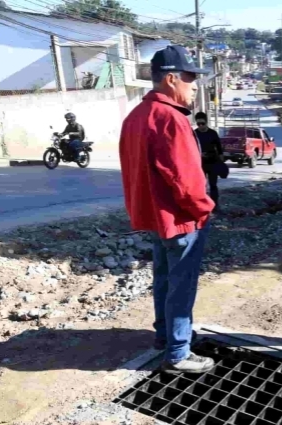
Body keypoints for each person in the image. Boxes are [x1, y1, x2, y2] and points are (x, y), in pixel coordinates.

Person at [119, 45, 215, 374]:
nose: (194, 85)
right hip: (180, 219)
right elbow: (186, 180)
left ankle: (167, 335)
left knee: (163, 278)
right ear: (171, 79)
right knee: (182, 284)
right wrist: (205, 208)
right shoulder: (171, 119)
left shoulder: (136, 115)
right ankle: (178, 352)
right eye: (190, 79)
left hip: (156, 219)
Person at [194, 111, 223, 209]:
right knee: (201, 186)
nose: (201, 126)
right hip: (200, 163)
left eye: (202, 123)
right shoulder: (194, 134)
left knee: (213, 185)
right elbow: (190, 148)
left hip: (212, 162)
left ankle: (215, 205)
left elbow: (219, 148)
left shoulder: (212, 133)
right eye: (198, 124)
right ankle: (202, 206)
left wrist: (221, 159)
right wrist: (199, 154)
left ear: (206, 122)